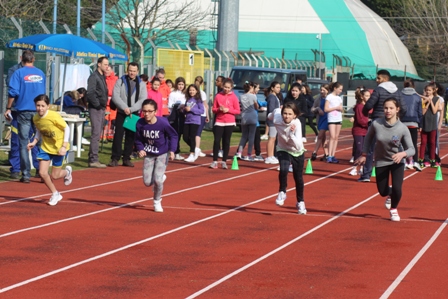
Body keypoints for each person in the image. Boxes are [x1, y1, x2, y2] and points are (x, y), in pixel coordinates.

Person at [355, 97, 415, 222]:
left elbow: (412, 149)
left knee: (398, 188)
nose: (388, 110)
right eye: (386, 108)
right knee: (382, 191)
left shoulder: (402, 128)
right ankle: (390, 194)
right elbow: (368, 139)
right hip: (381, 160)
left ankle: (394, 209)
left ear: (397, 109)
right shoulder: (377, 124)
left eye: (391, 108)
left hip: (397, 161)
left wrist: (402, 154)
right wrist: (364, 155)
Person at [4, 50, 45, 183]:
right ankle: (41, 170)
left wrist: (8, 108)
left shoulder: (18, 72)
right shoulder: (40, 73)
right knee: (39, 142)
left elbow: (13, 92)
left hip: (23, 111)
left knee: (23, 143)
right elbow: (43, 93)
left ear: (22, 58)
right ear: (33, 59)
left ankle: (26, 174)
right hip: (39, 111)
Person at [359, 69, 405, 182]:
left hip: (378, 121)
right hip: (393, 123)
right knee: (395, 147)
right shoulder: (398, 92)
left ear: (384, 79)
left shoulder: (378, 90)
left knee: (370, 148)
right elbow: (404, 108)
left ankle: (366, 175)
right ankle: (395, 175)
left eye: (378, 78)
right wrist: (398, 118)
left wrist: (366, 114)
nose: (376, 80)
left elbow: (369, 104)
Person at [27, 94, 73, 206]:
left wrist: (64, 145)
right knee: (42, 173)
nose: (40, 108)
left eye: (43, 106)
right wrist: (34, 141)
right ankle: (55, 193)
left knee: (55, 176)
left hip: (58, 147)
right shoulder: (35, 118)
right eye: (38, 105)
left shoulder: (53, 116)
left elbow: (66, 128)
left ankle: (67, 172)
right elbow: (39, 130)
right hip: (45, 147)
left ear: (48, 106)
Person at [134, 99, 178, 213]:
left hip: (162, 154)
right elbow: (138, 139)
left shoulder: (163, 123)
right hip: (149, 154)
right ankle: (160, 179)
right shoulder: (140, 123)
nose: (147, 114)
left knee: (157, 181)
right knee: (147, 182)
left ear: (155, 111)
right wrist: (140, 149)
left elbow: (173, 135)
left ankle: (157, 201)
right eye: (144, 111)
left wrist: (172, 150)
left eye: (150, 111)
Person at [267, 102, 307, 215]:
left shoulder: (297, 123)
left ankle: (300, 202)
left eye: (290, 114)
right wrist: (269, 116)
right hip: (282, 148)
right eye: (285, 113)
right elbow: (271, 114)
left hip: (297, 151)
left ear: (294, 115)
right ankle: (282, 192)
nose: (287, 116)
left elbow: (299, 145)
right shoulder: (277, 116)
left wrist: (291, 135)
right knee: (283, 169)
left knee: (298, 178)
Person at [109, 62, 147, 167]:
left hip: (133, 114)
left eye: (134, 71)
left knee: (131, 136)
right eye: (130, 70)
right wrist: (124, 108)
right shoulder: (120, 81)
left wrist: (131, 109)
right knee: (118, 136)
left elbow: (143, 99)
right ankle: (115, 158)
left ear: (138, 71)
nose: (132, 73)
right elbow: (115, 96)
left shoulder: (142, 84)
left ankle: (126, 158)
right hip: (121, 112)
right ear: (127, 70)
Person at [210, 78, 240, 169]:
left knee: (226, 141)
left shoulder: (234, 97)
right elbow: (213, 109)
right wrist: (219, 109)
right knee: (216, 141)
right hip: (219, 121)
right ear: (222, 86)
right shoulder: (218, 96)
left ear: (231, 88)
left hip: (229, 122)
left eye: (228, 88)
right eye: (225, 87)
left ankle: (224, 161)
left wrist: (228, 110)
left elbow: (238, 111)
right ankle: (215, 161)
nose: (226, 89)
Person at [86, 57, 109, 168]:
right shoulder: (94, 77)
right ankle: (93, 159)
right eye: (105, 64)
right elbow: (90, 93)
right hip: (96, 108)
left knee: (98, 133)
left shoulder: (102, 77)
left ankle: (92, 155)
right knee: (96, 133)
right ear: (99, 64)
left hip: (101, 107)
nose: (107, 66)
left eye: (107, 64)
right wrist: (97, 104)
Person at [400, 79, 422, 171]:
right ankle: (415, 162)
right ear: (414, 86)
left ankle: (403, 162)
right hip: (413, 123)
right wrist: (420, 125)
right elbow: (420, 112)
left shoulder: (400, 95)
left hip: (402, 122)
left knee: (402, 143)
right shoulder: (417, 97)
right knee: (413, 144)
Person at [235, 81, 259, 161]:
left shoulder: (241, 96)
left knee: (244, 136)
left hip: (244, 116)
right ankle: (249, 154)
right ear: (251, 88)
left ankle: (239, 153)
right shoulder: (253, 96)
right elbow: (256, 106)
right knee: (251, 136)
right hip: (252, 116)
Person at [349, 88, 370, 176]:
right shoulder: (359, 106)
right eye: (367, 96)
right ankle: (354, 168)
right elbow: (360, 120)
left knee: (364, 150)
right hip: (358, 131)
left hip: (366, 131)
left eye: (369, 96)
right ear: (361, 97)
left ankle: (361, 168)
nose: (368, 98)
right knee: (359, 149)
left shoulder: (367, 107)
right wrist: (369, 123)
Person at [419, 84, 440, 168]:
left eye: (430, 90)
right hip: (424, 123)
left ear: (433, 91)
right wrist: (426, 101)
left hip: (432, 123)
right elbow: (422, 111)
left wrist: (431, 101)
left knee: (432, 142)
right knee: (423, 142)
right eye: (427, 90)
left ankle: (432, 160)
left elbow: (435, 111)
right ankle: (421, 159)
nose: (428, 92)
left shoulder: (437, 99)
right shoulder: (422, 99)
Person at [182, 84, 204, 162]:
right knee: (185, 137)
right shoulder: (188, 100)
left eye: (193, 90)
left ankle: (192, 154)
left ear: (196, 91)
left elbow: (202, 111)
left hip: (195, 121)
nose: (191, 92)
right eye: (190, 90)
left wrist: (191, 110)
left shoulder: (198, 100)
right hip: (187, 121)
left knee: (192, 137)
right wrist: (183, 109)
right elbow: (185, 110)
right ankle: (195, 149)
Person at [324, 82, 344, 163]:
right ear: (335, 88)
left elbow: (341, 108)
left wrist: (340, 109)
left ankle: (333, 155)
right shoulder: (329, 97)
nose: (340, 91)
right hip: (331, 119)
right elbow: (326, 109)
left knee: (336, 137)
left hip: (338, 118)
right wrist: (336, 107)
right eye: (340, 89)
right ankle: (329, 155)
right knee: (332, 136)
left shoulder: (339, 98)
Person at [168, 77, 187, 160]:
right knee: (176, 134)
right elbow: (170, 105)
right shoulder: (173, 93)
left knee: (180, 133)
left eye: (182, 84)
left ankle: (176, 151)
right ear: (176, 84)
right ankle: (176, 151)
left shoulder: (185, 94)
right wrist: (177, 105)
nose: (181, 86)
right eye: (179, 84)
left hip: (182, 115)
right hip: (175, 115)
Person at [310, 84, 330, 161]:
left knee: (320, 135)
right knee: (323, 137)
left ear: (327, 91)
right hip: (320, 119)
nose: (321, 92)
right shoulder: (318, 98)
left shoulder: (330, 98)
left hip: (327, 119)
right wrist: (317, 109)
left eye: (323, 90)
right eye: (321, 90)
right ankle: (326, 154)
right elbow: (312, 108)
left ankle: (314, 152)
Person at [265, 81, 282, 164]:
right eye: (277, 87)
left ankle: (271, 155)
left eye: (279, 87)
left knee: (273, 138)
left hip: (274, 119)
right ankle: (269, 156)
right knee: (271, 138)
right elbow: (272, 109)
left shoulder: (275, 96)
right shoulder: (272, 97)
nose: (279, 89)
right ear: (272, 88)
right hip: (272, 120)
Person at [194, 76, 209, 158]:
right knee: (198, 133)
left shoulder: (191, 91)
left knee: (194, 133)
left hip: (194, 114)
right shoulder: (202, 93)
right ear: (202, 83)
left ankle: (196, 149)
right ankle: (196, 149)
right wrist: (207, 115)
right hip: (201, 114)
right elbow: (205, 105)